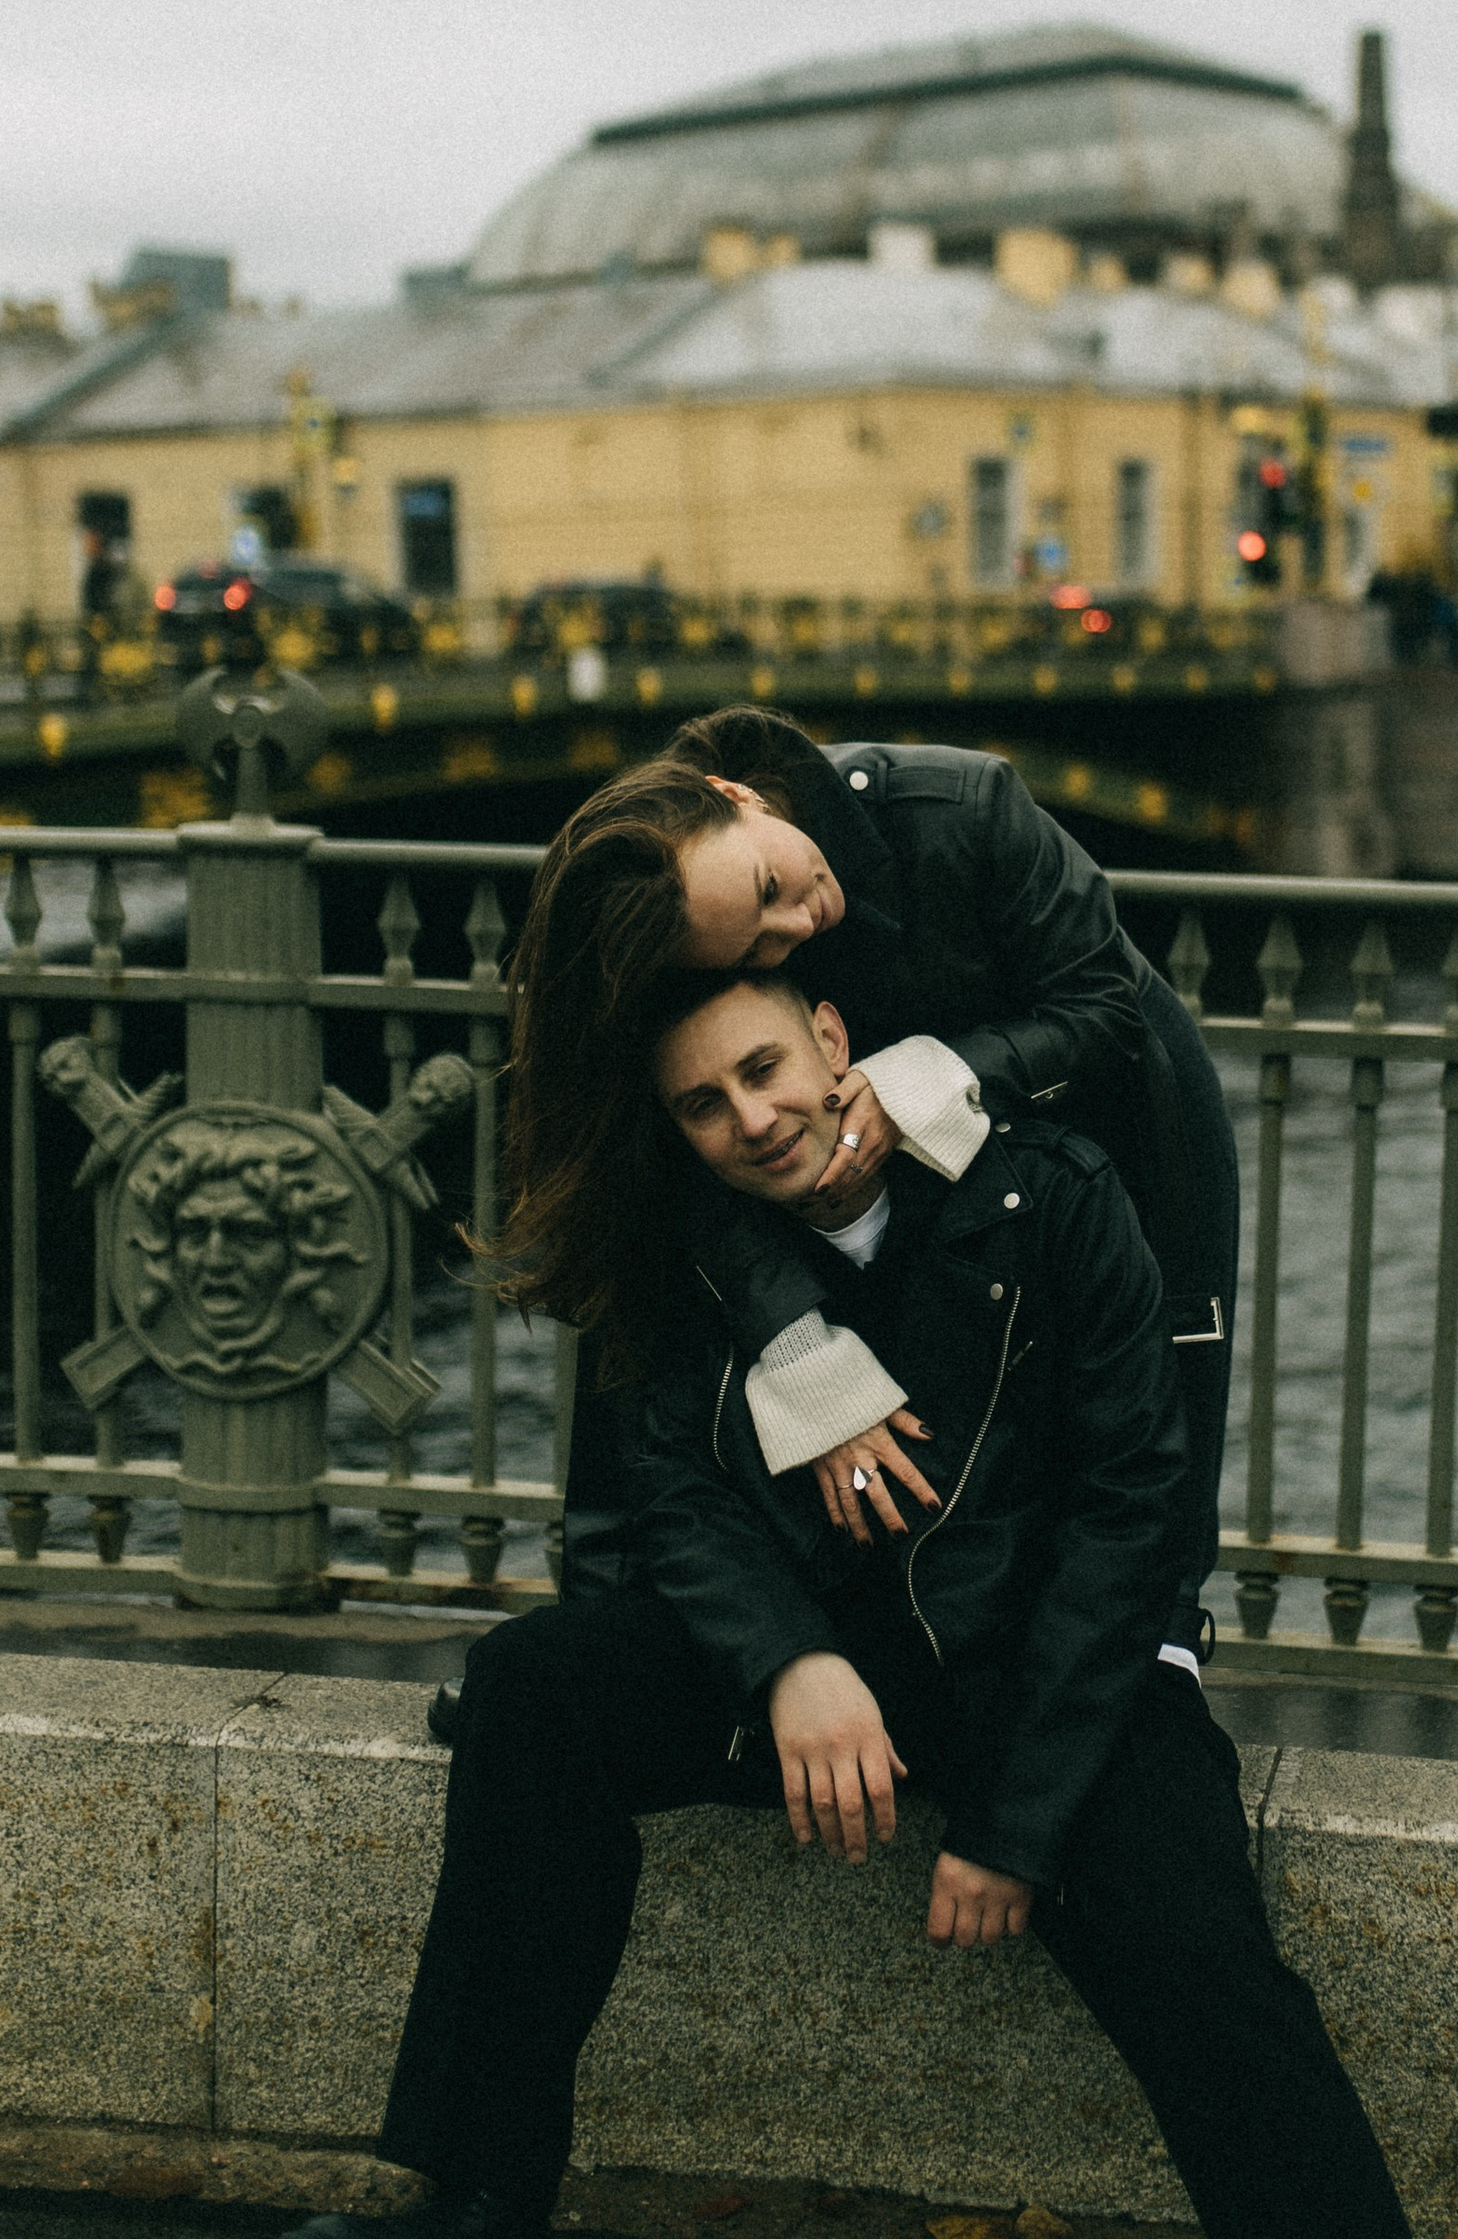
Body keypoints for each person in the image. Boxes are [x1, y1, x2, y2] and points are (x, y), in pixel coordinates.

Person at [267, 965, 1458, 2239]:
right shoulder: (693, 1246)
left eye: (765, 1071)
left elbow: (1126, 1515)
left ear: (838, 1042)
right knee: (537, 1700)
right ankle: (477, 2235)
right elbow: (677, 1503)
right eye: (703, 1102)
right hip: (831, 1671)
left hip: (1052, 1679)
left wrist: (1018, 1819)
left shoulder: (1047, 1196)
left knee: (1211, 1981)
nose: (748, 1119)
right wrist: (788, 1661)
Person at [500, 708, 1239, 1656]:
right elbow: (688, 1158)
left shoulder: (965, 806)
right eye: (755, 948)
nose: (797, 923)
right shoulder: (687, 924)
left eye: (772, 884)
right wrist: (798, 1346)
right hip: (867, 1108)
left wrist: (923, 1076)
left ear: (734, 796)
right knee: (635, 1275)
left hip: (1116, 1088)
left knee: (1161, 1352)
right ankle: (596, 1642)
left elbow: (1103, 1010)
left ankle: (1168, 1646)